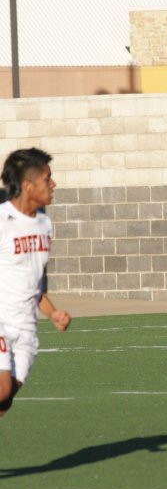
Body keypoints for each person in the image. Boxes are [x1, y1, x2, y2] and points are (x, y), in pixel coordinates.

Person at [0, 148, 71, 417]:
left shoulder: (44, 225)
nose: (53, 184)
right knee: (2, 392)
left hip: (26, 328)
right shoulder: (2, 221)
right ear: (29, 186)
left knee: (4, 404)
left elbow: (36, 283)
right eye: (47, 179)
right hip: (2, 322)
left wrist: (53, 313)